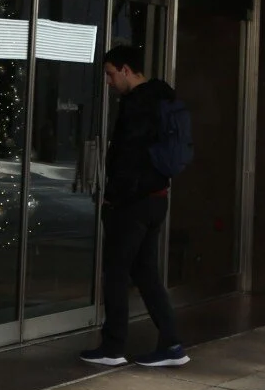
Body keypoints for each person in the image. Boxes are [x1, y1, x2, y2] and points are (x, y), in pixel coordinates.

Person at [79, 45, 187, 368]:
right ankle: (172, 344)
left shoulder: (137, 105)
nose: (109, 82)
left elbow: (128, 159)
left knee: (116, 272)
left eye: (111, 74)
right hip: (157, 199)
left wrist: (112, 198)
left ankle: (113, 347)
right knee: (145, 273)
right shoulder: (164, 98)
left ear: (126, 70)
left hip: (132, 204)